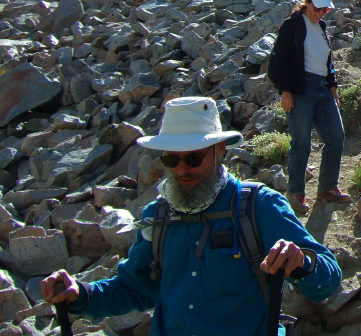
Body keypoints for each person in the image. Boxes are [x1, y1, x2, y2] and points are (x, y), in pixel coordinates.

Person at [41, 96, 342, 336]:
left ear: (220, 148)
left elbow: (328, 280)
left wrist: (302, 263)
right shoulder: (156, 216)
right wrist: (80, 295)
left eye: (194, 158)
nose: (182, 169)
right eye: (172, 159)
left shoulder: (258, 206)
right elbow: (135, 288)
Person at [269, 0, 350, 215]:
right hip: (299, 88)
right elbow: (280, 59)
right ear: (307, 2)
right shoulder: (292, 25)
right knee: (302, 141)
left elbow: (328, 61)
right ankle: (295, 192)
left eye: (326, 10)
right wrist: (285, 90)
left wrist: (333, 86)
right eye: (319, 8)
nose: (322, 13)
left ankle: (327, 187)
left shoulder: (322, 27)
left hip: (322, 88)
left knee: (336, 136)